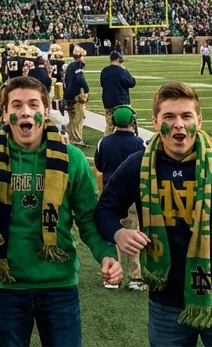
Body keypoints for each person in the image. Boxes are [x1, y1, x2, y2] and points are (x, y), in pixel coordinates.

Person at [97, 82, 212, 347]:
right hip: (167, 300)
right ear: (156, 122)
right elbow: (104, 210)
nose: (178, 124)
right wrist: (118, 232)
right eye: (169, 117)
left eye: (186, 116)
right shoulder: (139, 165)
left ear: (198, 121)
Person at [0, 76, 111, 347]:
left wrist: (106, 254)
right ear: (6, 112)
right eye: (17, 105)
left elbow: (88, 218)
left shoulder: (72, 158)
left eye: (33, 104)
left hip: (59, 284)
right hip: (7, 284)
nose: (25, 111)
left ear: (45, 111)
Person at [92, 106, 145, 290]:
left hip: (109, 194)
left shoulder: (104, 142)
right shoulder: (139, 143)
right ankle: (135, 276)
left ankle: (112, 274)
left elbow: (99, 165)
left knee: (112, 234)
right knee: (134, 236)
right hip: (131, 196)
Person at [99, 51, 134, 138]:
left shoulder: (104, 71)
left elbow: (102, 84)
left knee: (110, 126)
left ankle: (106, 142)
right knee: (126, 124)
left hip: (108, 103)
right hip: (121, 103)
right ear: (119, 59)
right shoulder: (122, 71)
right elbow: (132, 83)